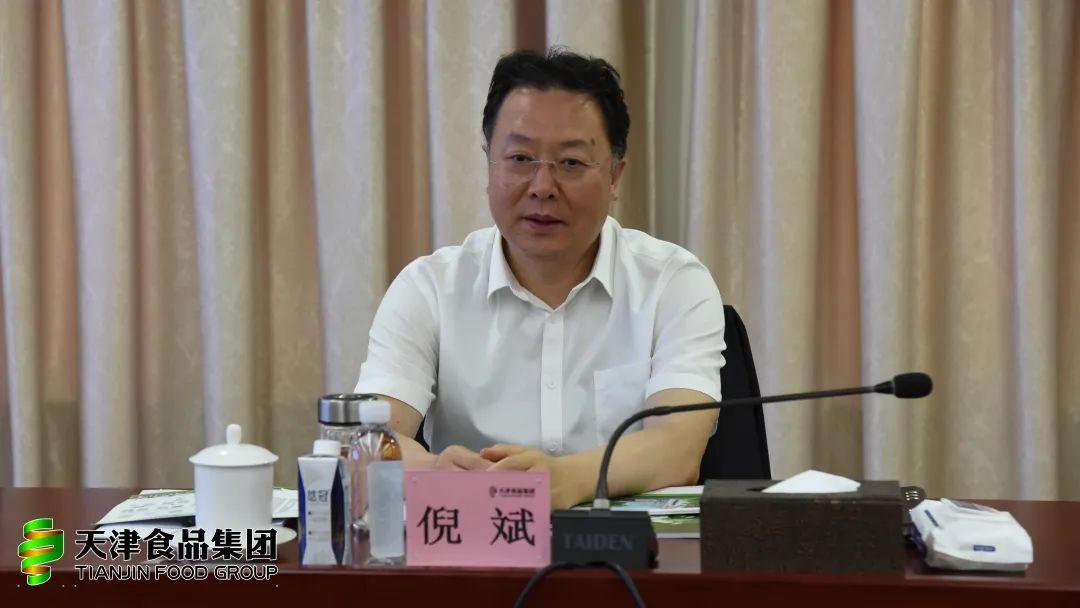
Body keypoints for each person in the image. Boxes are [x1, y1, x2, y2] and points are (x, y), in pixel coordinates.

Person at [354, 48, 725, 509]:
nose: (542, 187)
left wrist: (563, 480)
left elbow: (677, 448)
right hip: (475, 538)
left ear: (615, 175)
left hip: (629, 549)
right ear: (489, 165)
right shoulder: (428, 288)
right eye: (521, 158)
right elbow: (369, 442)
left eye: (571, 163)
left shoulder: (674, 283)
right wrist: (440, 474)